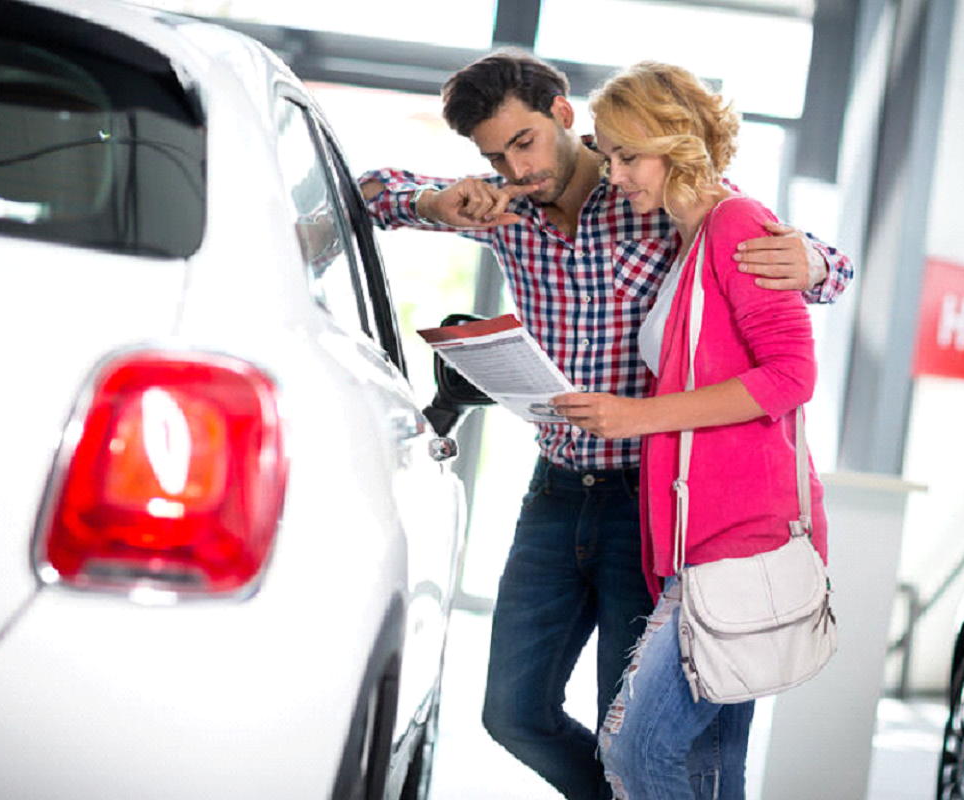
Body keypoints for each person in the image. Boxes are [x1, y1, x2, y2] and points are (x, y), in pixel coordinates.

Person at [359, 49, 850, 800]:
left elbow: (806, 262)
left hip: (644, 497)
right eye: (494, 155)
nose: (515, 169)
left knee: (628, 725)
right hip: (555, 493)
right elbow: (368, 195)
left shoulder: (655, 189)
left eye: (522, 144)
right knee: (512, 713)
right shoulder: (502, 210)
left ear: (563, 115)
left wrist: (814, 263)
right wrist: (435, 205)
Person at [550, 61, 830, 800]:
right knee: (710, 764)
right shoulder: (688, 239)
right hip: (700, 542)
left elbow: (791, 375)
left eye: (626, 155)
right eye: (605, 156)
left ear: (674, 144)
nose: (613, 175)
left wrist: (634, 417)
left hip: (736, 544)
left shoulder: (737, 224)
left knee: (636, 753)